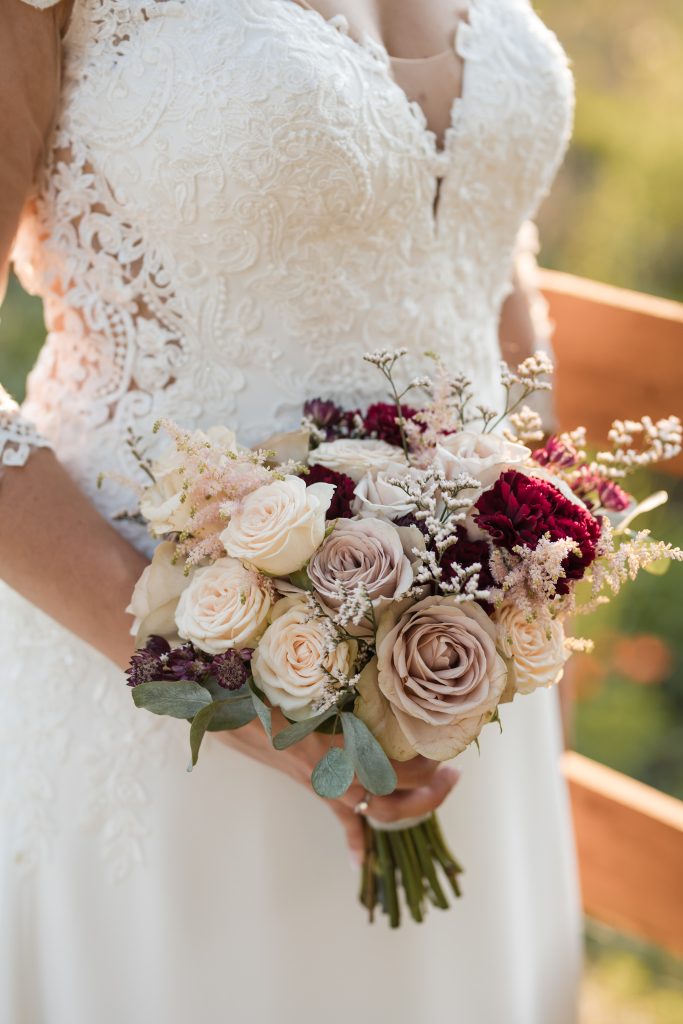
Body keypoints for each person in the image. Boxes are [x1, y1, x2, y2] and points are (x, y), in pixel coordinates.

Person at [0, 1, 581, 1021]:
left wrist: (538, 579)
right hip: (156, 698)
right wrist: (208, 681)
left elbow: (478, 250)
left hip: (469, 688)